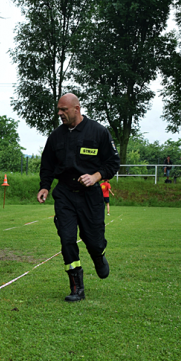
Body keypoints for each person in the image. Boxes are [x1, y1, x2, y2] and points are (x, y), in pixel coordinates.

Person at [37, 93, 120, 302]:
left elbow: (113, 163)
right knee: (67, 239)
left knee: (93, 240)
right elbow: (47, 165)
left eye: (64, 110)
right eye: (58, 109)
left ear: (77, 108)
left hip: (90, 196)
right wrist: (45, 187)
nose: (60, 113)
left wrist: (95, 176)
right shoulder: (55, 136)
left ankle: (98, 255)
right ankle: (77, 288)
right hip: (64, 194)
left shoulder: (98, 132)